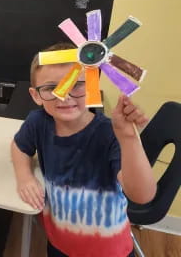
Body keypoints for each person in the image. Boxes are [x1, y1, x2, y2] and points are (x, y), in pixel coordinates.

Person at [11, 42, 156, 257]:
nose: (65, 96)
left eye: (76, 85)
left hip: (109, 251)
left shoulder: (109, 133)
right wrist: (24, 177)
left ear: (91, 86)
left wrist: (128, 139)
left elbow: (142, 195)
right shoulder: (38, 123)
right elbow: (19, 146)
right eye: (52, 88)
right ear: (35, 95)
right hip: (59, 243)